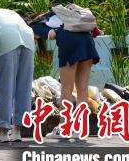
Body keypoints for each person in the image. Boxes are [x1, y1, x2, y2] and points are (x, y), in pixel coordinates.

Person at [34, 11, 101, 140]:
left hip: (70, 43)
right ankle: (79, 128)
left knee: (66, 88)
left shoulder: (36, 25)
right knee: (82, 89)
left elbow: (52, 35)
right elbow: (96, 32)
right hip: (87, 42)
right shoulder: (65, 15)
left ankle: (63, 127)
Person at [0, 8, 35, 143]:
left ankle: (3, 130)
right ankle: (17, 131)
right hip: (28, 38)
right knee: (24, 86)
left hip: (7, 38)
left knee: (6, 85)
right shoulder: (8, 12)